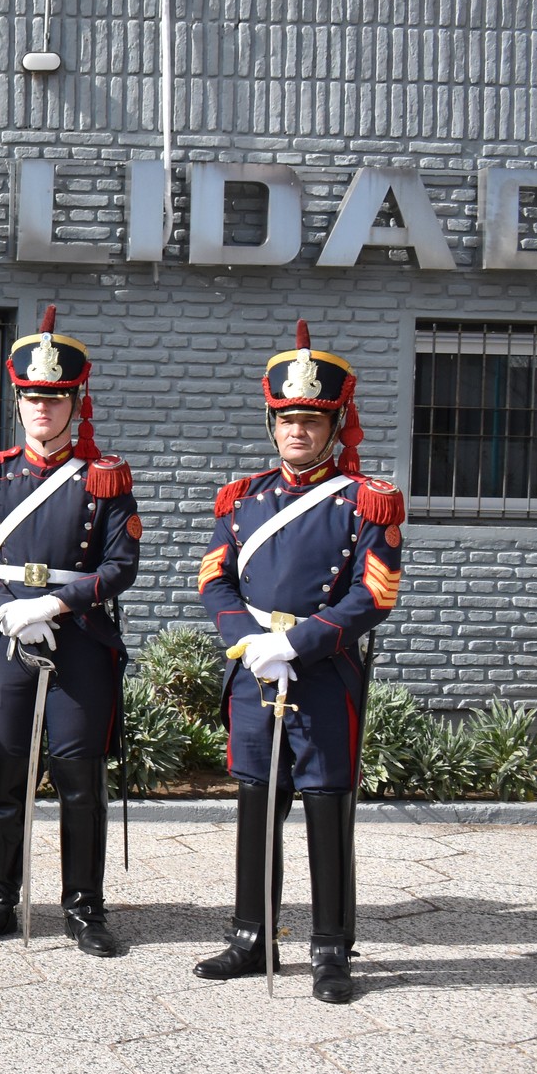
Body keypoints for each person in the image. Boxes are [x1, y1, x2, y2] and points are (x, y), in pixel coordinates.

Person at [195, 320, 402, 1004]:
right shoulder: (242, 500)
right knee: (256, 805)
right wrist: (251, 640)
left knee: (324, 811)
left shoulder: (363, 503)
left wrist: (299, 642)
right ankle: (251, 937)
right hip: (256, 670)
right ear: (271, 420)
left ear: (335, 422)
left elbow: (375, 592)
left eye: (311, 419)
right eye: (287, 419)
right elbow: (213, 580)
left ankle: (330, 948)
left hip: (322, 675)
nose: (297, 431)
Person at [0, 306, 139, 957]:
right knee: (6, 776)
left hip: (77, 640)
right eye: (33, 397)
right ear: (18, 399)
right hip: (6, 636)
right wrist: (4, 606)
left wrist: (53, 605)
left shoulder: (104, 478)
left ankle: (84, 906)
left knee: (80, 777)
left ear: (74, 402)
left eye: (55, 399)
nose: (43, 409)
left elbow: (121, 565)